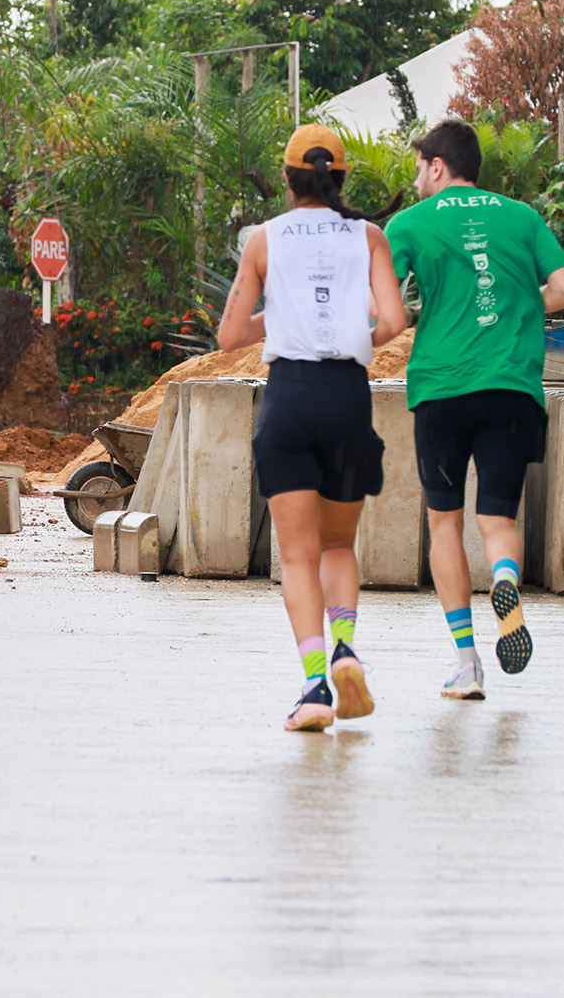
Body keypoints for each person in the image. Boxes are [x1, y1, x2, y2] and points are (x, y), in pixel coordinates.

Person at [218, 125, 408, 732]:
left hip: (290, 400)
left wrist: (281, 317)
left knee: (298, 556)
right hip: (347, 398)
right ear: (341, 176)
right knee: (338, 546)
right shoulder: (369, 236)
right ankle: (347, 647)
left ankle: (315, 685)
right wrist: (353, 331)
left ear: (287, 177)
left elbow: (229, 335)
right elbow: (394, 319)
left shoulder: (264, 239)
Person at [385, 116, 564, 699]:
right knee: (498, 520)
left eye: (419, 168)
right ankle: (504, 578)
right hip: (511, 389)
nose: (416, 180)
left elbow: (386, 309)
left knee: (444, 522)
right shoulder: (522, 217)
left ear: (437, 166)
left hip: (441, 389)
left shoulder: (409, 223)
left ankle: (467, 663)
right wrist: (519, 303)